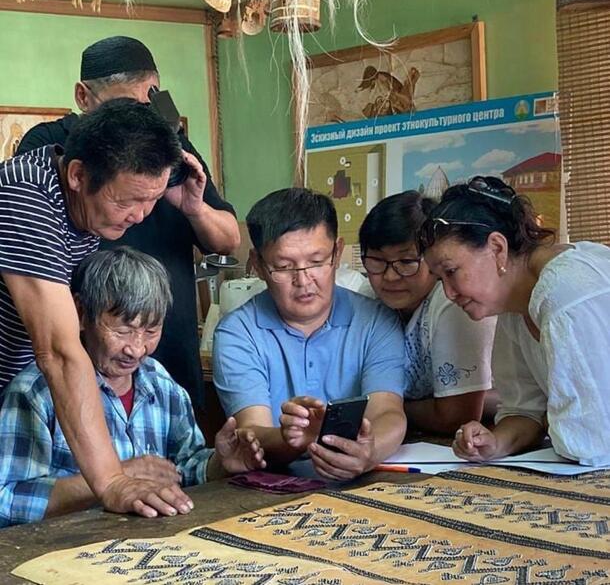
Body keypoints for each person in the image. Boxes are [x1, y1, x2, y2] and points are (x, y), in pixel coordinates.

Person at [16, 35, 240, 409]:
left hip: (166, 348)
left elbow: (228, 239)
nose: (139, 213)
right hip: (91, 352)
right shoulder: (49, 148)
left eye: (147, 104)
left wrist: (194, 208)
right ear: (83, 97)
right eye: (123, 106)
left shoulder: (169, 144)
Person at [0, 98, 197, 518]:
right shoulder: (25, 196)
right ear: (77, 174)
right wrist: (112, 481)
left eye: (152, 201)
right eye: (127, 201)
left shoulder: (85, 210)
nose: (140, 216)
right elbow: (57, 350)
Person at [0, 247, 264, 527]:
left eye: (151, 331)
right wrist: (113, 481)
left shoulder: (161, 384)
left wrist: (218, 465)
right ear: (80, 313)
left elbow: (181, 469)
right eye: (123, 330)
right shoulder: (34, 394)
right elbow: (5, 499)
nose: (137, 349)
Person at [213, 188, 407, 481]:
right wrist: (291, 437)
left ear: (337, 253)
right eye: (283, 266)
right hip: (273, 490)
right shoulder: (238, 333)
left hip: (363, 483)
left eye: (316, 262)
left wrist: (368, 452)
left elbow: (389, 413)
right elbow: (251, 431)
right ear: (258, 265)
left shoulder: (375, 322)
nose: (303, 281)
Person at [419, 175, 610, 466]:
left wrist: (551, 419)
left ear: (497, 248)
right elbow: (524, 410)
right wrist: (494, 442)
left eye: (451, 271)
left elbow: (589, 441)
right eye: (439, 279)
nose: (448, 292)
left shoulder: (565, 292)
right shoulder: (514, 304)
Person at [359, 192, 496, 434]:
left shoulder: (453, 302)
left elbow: (456, 417)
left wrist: (385, 410)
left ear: (433, 260)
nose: (390, 276)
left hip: (491, 433)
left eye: (406, 261)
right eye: (377, 261)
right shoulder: (369, 299)